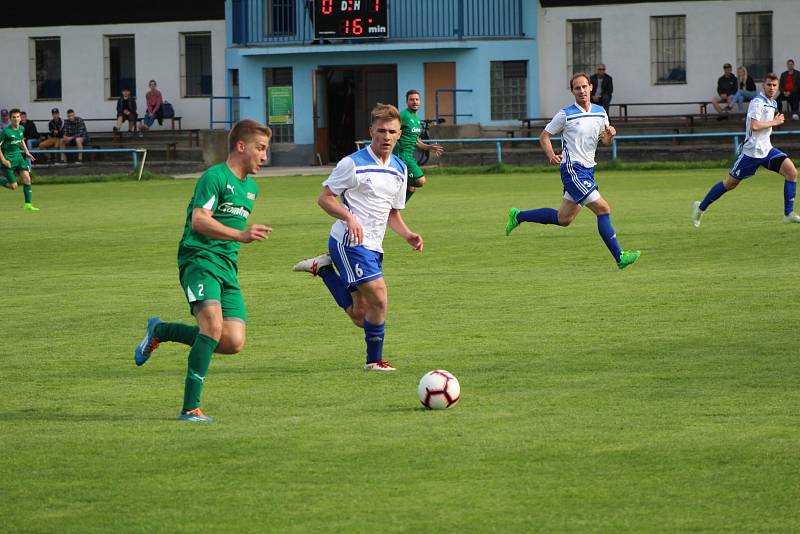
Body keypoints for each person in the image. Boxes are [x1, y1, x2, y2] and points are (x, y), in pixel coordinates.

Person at [134, 119, 273, 423]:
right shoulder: (214, 177)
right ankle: (190, 408)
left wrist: (238, 239)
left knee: (233, 341)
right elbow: (199, 220)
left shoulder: (251, 188)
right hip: (198, 259)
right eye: (260, 149)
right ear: (241, 146)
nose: (264, 156)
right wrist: (241, 235)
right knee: (211, 327)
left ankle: (160, 331)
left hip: (227, 268)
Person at [292, 103, 423, 372]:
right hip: (348, 242)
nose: (386, 137)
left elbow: (392, 214)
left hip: (375, 246)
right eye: (382, 131)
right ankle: (374, 362)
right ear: (371, 131)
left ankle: (325, 269)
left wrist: (408, 234)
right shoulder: (352, 164)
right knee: (380, 299)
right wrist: (349, 217)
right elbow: (325, 199)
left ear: (400, 134)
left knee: (362, 315)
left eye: (392, 132)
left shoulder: (399, 168)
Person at [505, 73, 640, 270]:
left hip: (588, 170)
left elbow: (604, 140)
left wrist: (610, 134)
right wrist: (551, 154)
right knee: (603, 209)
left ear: (591, 87)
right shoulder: (566, 114)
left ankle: (518, 216)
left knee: (564, 219)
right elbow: (544, 136)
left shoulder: (601, 112)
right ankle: (620, 256)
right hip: (572, 170)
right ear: (572, 91)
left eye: (584, 86)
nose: (582, 91)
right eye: (577, 88)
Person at [692, 73, 799, 226]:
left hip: (767, 150)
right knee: (730, 184)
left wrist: (772, 123)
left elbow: (765, 126)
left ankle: (788, 214)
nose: (772, 88)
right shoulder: (757, 102)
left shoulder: (773, 103)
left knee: (792, 172)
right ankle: (700, 207)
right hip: (751, 153)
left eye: (775, 85)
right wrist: (774, 122)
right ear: (764, 85)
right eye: (769, 84)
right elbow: (755, 126)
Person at [392, 89, 444, 202]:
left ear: (420, 102)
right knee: (420, 180)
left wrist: (429, 147)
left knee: (412, 187)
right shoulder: (403, 116)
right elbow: (392, 131)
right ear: (407, 102)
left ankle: (394, 211)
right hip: (402, 155)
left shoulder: (417, 120)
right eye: (411, 100)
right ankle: (394, 181)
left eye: (417, 99)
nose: (415, 102)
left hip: (409, 156)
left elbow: (416, 141)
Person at [0, 108, 39, 211]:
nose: (16, 119)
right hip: (8, 160)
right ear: (10, 119)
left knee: (27, 179)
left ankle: (28, 204)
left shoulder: (21, 128)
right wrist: (3, 160)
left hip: (19, 158)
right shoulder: (6, 132)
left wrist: (26, 151)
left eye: (17, 117)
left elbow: (21, 140)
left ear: (20, 118)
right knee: (13, 186)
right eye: (13, 117)